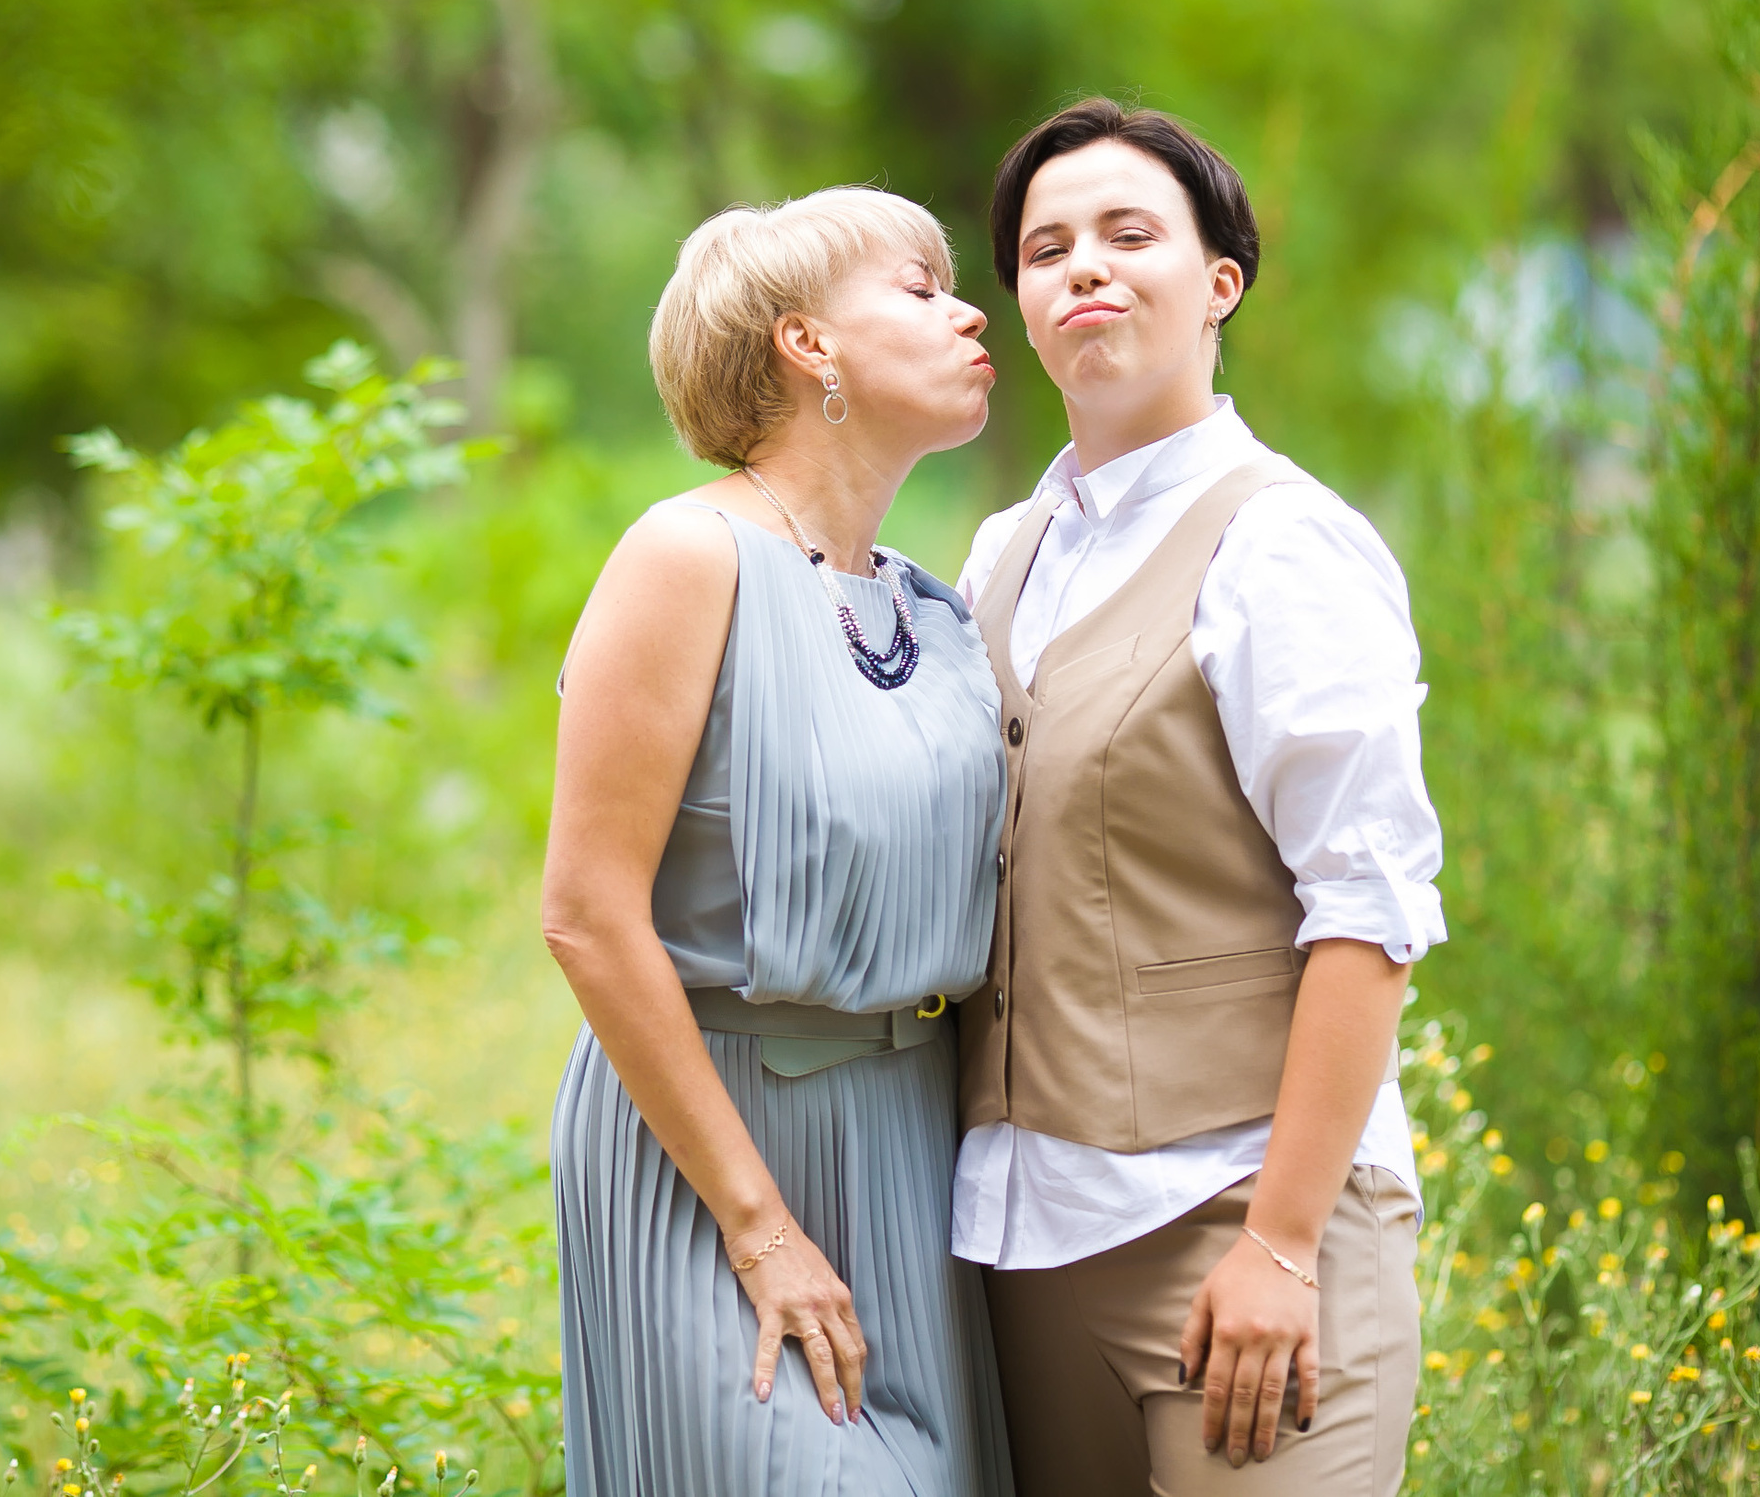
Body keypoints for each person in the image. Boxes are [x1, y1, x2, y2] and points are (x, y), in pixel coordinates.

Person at [954, 97, 1444, 1497]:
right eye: (1048, 250)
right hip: (1020, 1246)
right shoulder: (1001, 552)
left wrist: (1283, 1245)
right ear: (1025, 308)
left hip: (1240, 1229)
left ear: (1219, 282)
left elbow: (1371, 908)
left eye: (1128, 234)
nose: (1085, 269)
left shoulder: (1282, 546)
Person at [544, 186, 1017, 1496]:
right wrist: (761, 1235)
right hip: (715, 1159)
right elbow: (585, 913)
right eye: (918, 290)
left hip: (912, 1147)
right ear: (808, 345)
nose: (972, 309)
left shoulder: (932, 607)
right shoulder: (686, 557)